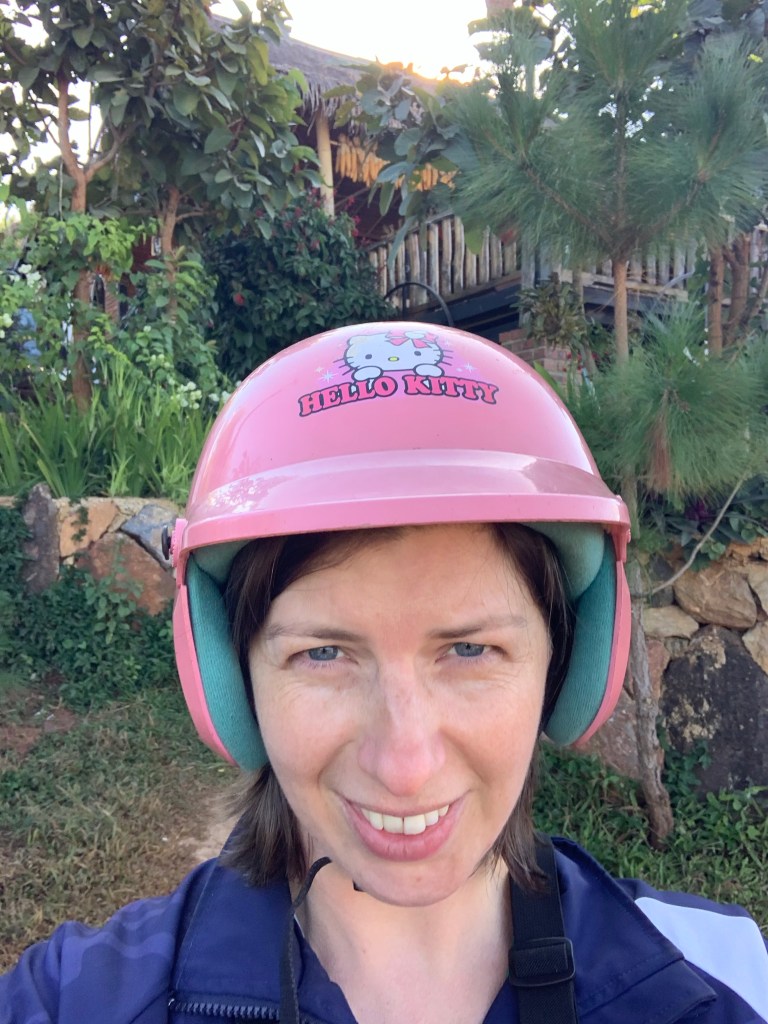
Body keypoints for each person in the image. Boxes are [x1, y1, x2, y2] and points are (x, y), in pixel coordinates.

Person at [2, 321, 767, 1024]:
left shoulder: (723, 976)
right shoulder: (73, 998)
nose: (405, 766)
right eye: (323, 654)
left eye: (470, 650)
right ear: (233, 680)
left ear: (562, 669)